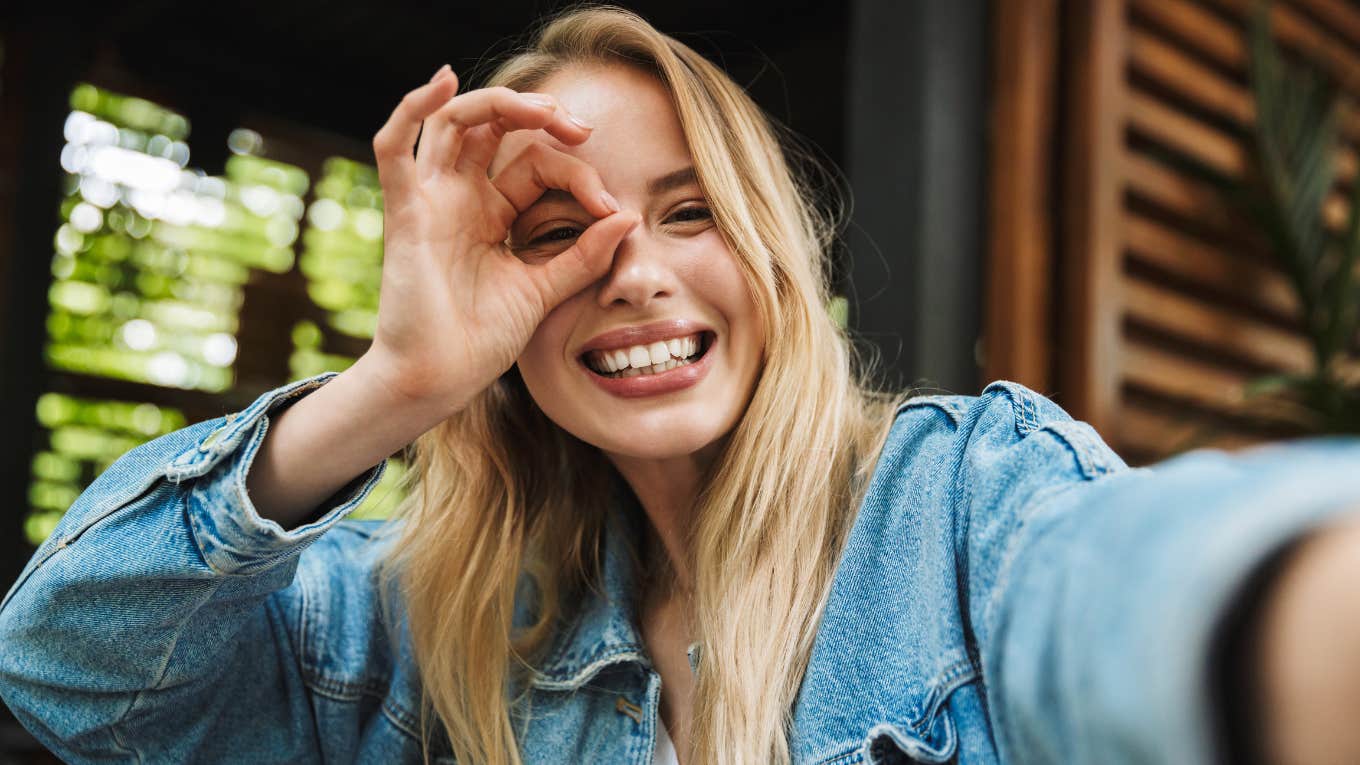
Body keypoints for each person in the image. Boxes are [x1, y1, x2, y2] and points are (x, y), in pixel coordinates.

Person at [2, 6, 1360, 765]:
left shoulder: (961, 501)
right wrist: (399, 380)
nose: (632, 271)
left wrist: (1303, 611)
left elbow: (1139, 591)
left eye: (688, 210)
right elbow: (62, 663)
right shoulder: (420, 624)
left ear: (772, 247)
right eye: (555, 235)